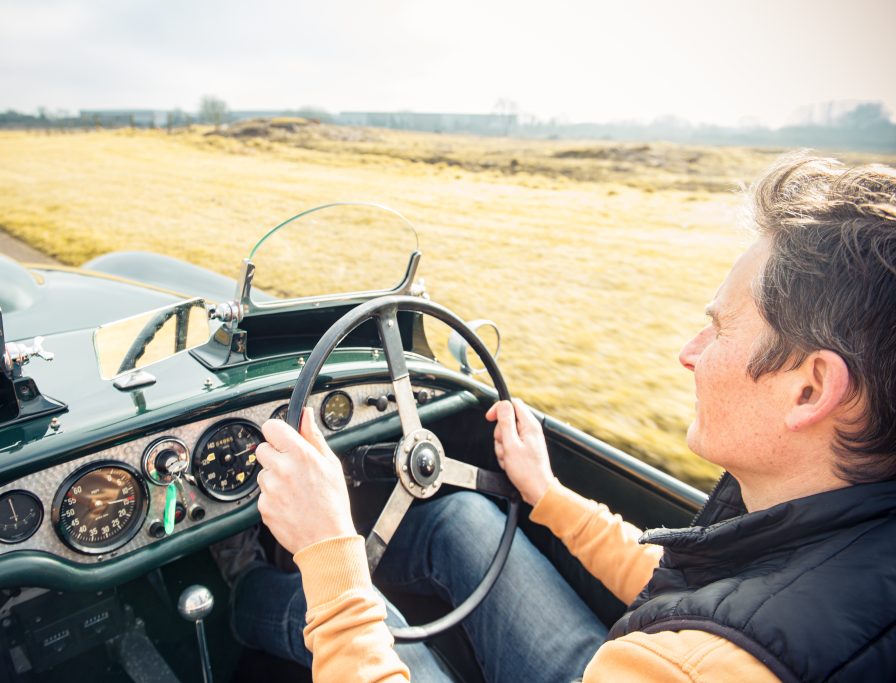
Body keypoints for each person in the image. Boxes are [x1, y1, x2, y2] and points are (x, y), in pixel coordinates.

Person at [219, 153, 896, 682]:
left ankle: (241, 594)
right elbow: (692, 586)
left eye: (717, 331)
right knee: (464, 516)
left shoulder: (699, 669)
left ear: (810, 390)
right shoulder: (845, 536)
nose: (687, 353)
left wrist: (328, 549)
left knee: (371, 613)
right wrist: (549, 494)